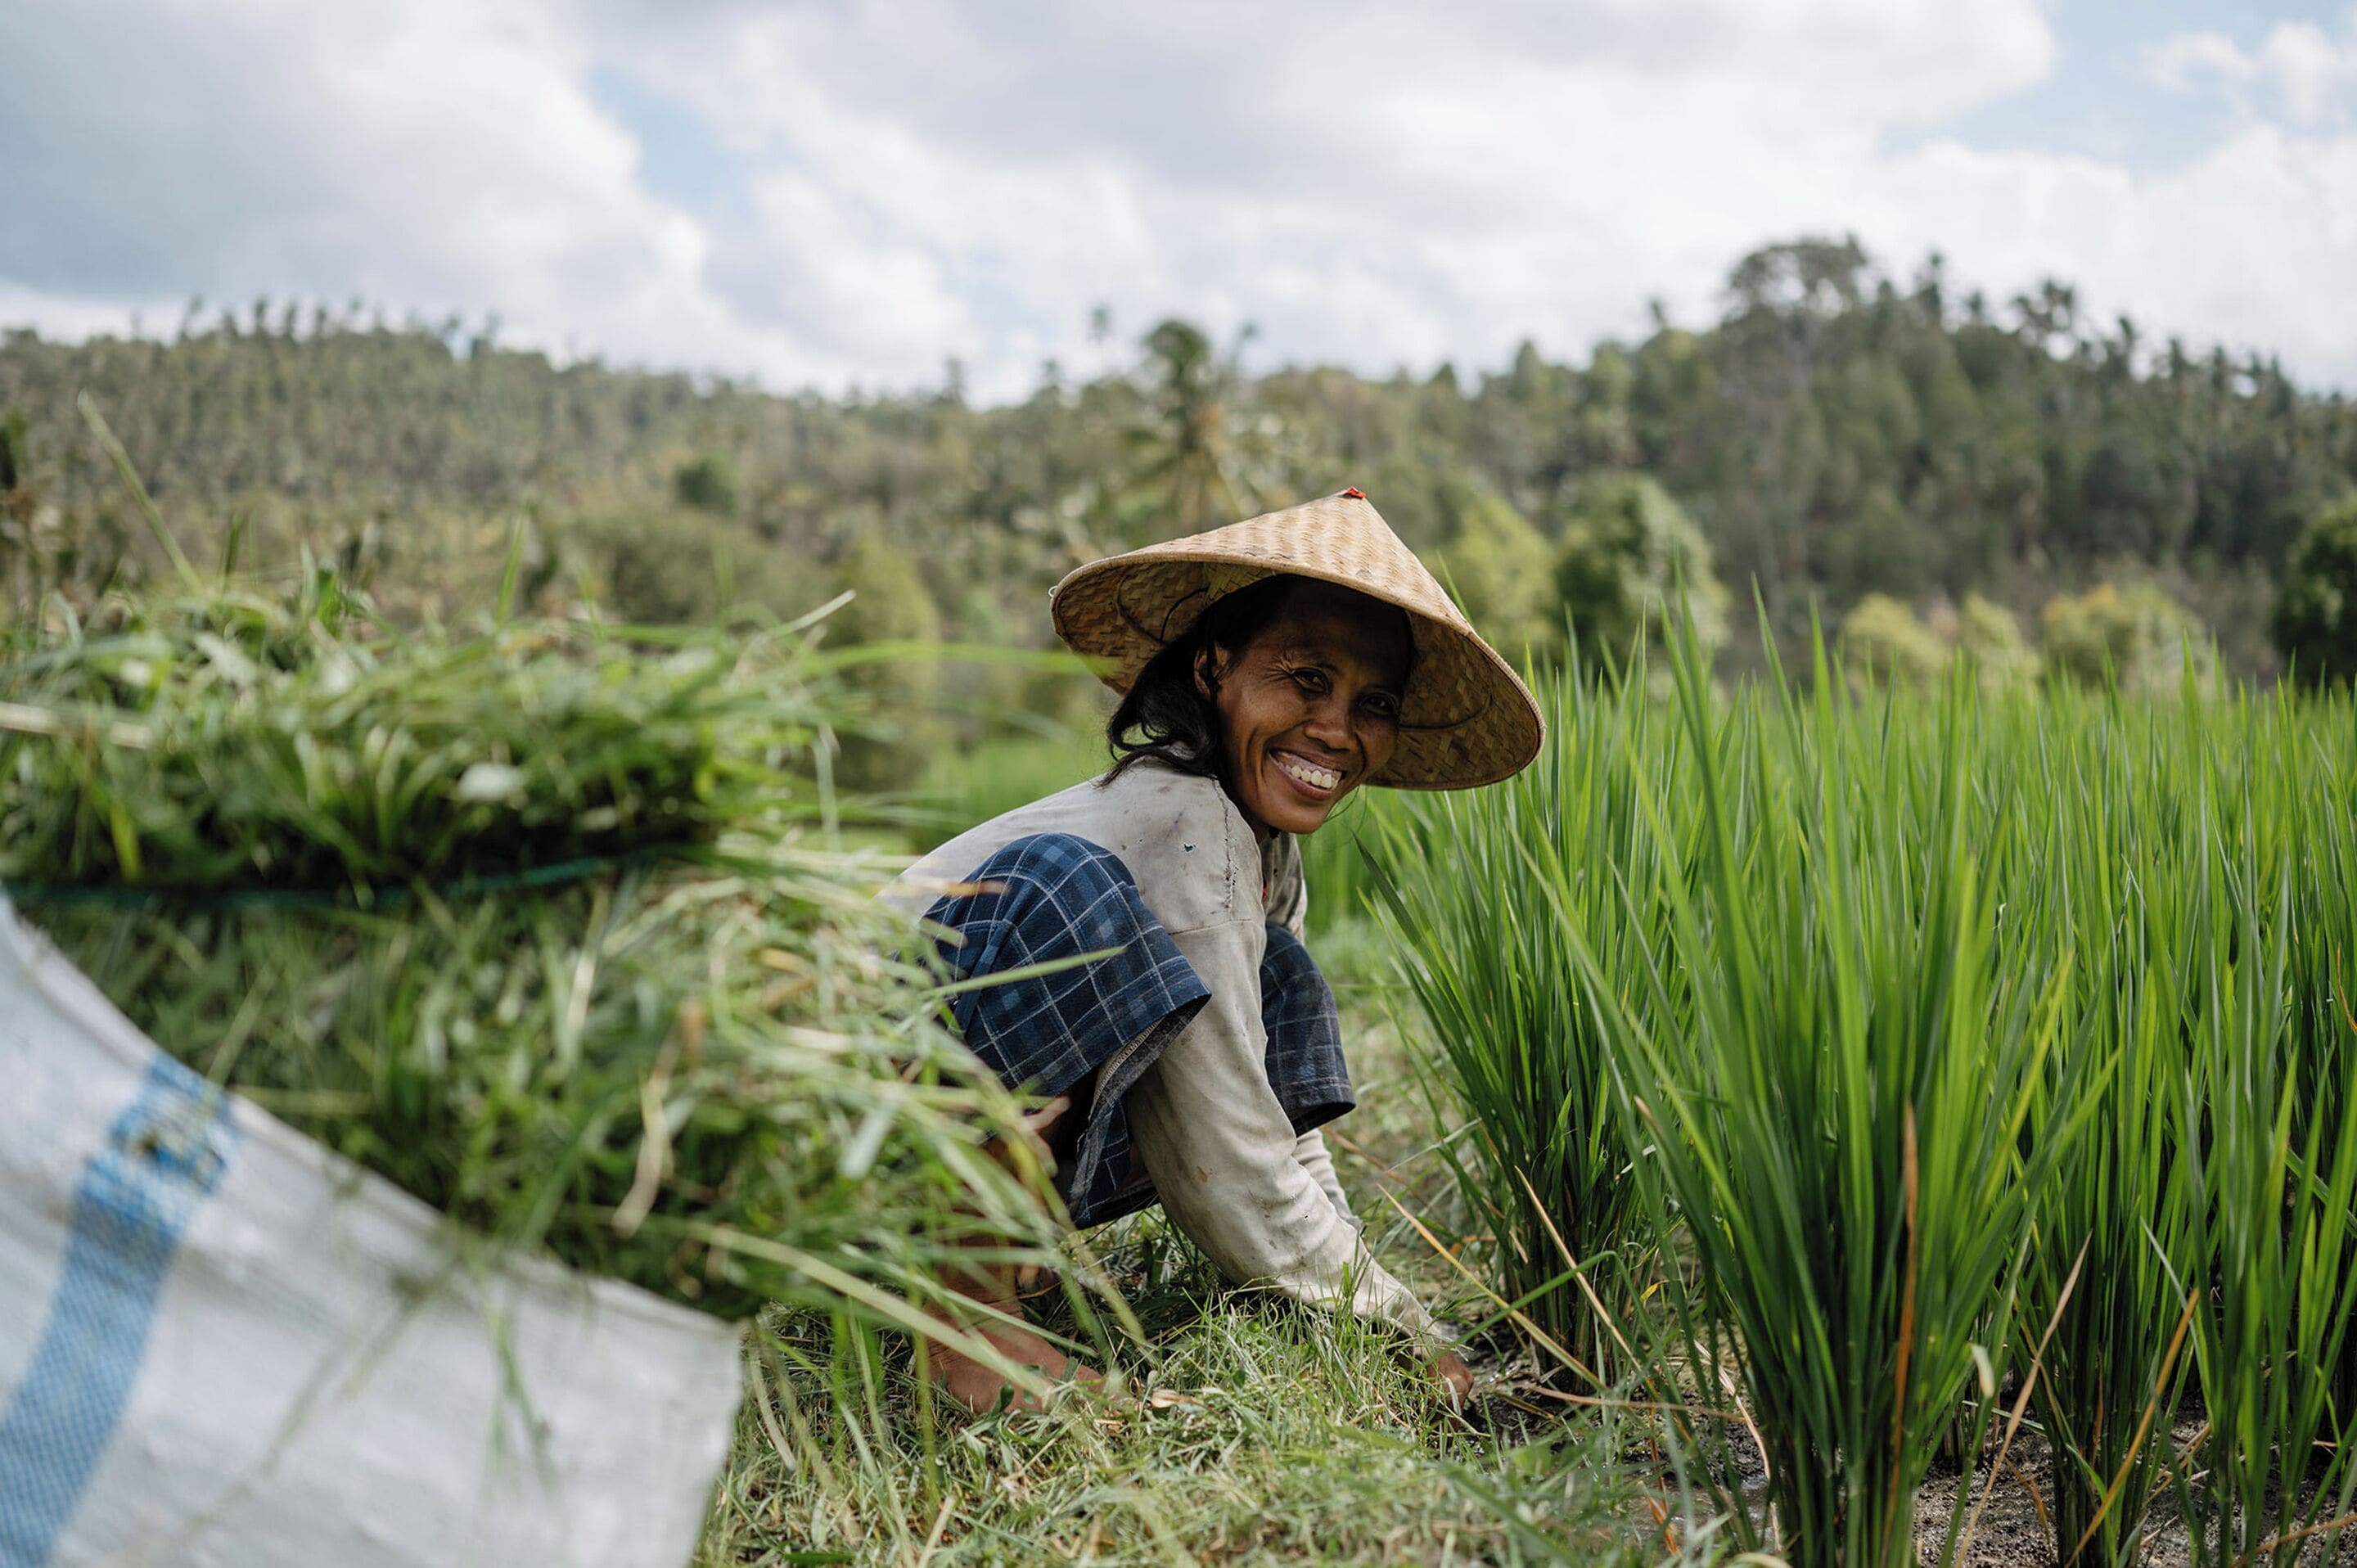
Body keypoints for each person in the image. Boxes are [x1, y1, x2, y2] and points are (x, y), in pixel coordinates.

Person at [888, 489, 1543, 1413]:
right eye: (1306, 678)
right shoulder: (1183, 820)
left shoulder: (1266, 859)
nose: (1336, 729)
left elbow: (1277, 1127)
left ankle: (1007, 1245)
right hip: (850, 1119)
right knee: (1065, 888)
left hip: (923, 1124)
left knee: (1280, 979)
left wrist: (1378, 1312)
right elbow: (1226, 1150)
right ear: (1212, 668)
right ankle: (963, 1317)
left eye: (1373, 702)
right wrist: (1400, 1331)